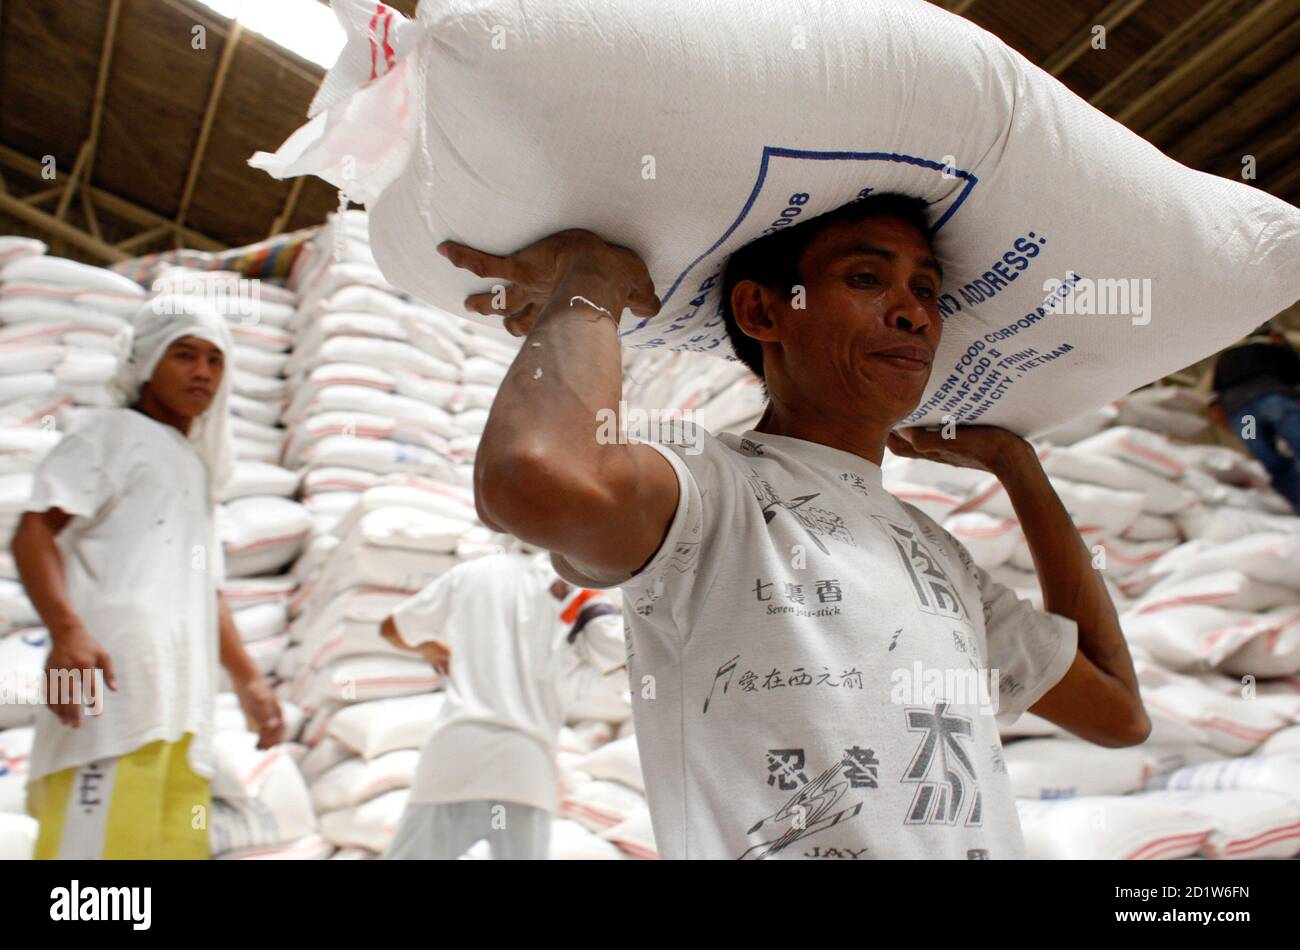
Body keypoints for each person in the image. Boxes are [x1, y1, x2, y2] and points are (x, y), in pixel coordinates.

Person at [446, 192, 1151, 860]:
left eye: (927, 291)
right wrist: (591, 278)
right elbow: (531, 477)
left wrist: (1019, 467)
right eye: (868, 277)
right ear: (760, 310)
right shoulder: (716, 486)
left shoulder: (940, 558)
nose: (912, 312)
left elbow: (1119, 715)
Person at [11, 294, 283, 860]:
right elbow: (34, 529)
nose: (203, 372)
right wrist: (66, 632)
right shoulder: (111, 434)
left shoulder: (192, 465)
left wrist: (250, 682)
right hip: (109, 686)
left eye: (215, 359)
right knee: (93, 879)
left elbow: (205, 592)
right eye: (184, 355)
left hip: (180, 705)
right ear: (146, 361)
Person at [379, 542, 622, 860]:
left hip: (455, 756)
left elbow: (391, 628)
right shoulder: (577, 589)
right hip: (525, 766)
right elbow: (620, 648)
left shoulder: (470, 574)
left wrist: (429, 648)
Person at [1209, 323, 1300, 512]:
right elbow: (1295, 375)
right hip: (1272, 401)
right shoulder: (1272, 348)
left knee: (1271, 463)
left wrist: (1227, 422)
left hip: (1242, 416)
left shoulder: (1226, 357)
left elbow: (1214, 399)